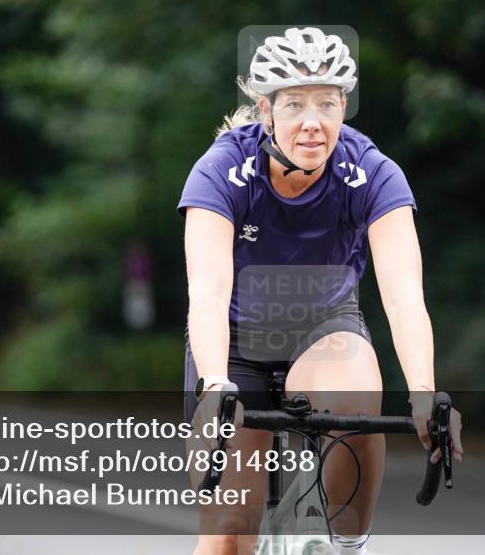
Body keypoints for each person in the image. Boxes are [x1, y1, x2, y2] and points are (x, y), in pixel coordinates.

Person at [177, 27, 462, 555]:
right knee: (229, 531)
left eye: (327, 104)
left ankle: (344, 543)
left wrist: (424, 390)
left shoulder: (372, 173)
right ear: (266, 111)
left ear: (343, 108)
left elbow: (404, 296)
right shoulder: (221, 170)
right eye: (295, 105)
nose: (313, 122)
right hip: (235, 346)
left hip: (324, 333)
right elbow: (209, 292)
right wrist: (214, 384)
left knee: (355, 408)